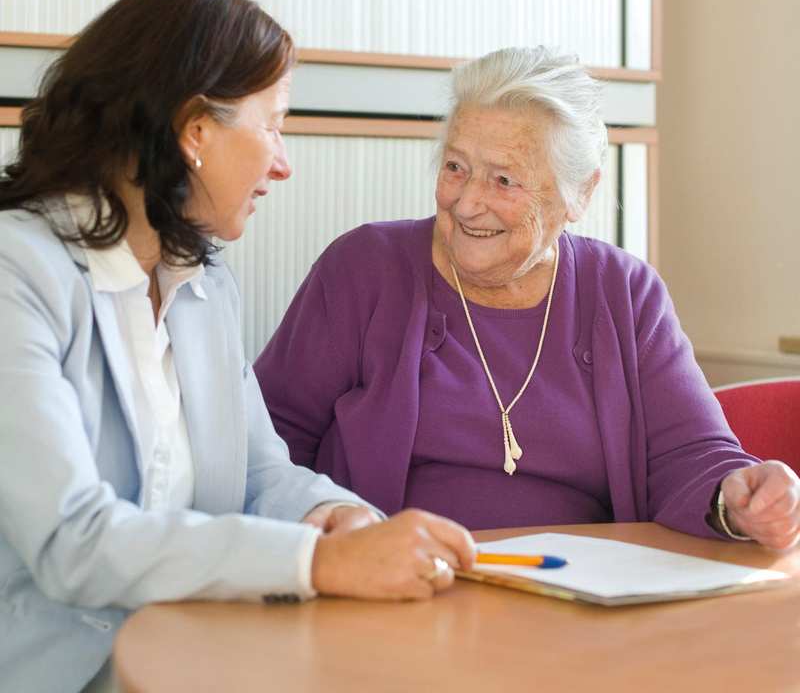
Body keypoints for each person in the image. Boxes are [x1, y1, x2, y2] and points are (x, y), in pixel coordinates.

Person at [0, 0, 474, 693]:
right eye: (273, 124)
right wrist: (317, 564)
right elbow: (72, 540)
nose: (282, 164)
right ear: (195, 131)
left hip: (196, 660)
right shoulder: (17, 273)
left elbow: (258, 474)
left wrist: (340, 518)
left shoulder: (203, 283)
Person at [256, 46, 800, 550]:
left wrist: (738, 497)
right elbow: (266, 440)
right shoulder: (365, 267)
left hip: (581, 596)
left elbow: (690, 454)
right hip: (398, 589)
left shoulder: (624, 292)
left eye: (504, 180)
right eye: (455, 168)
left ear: (579, 193)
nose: (468, 203)